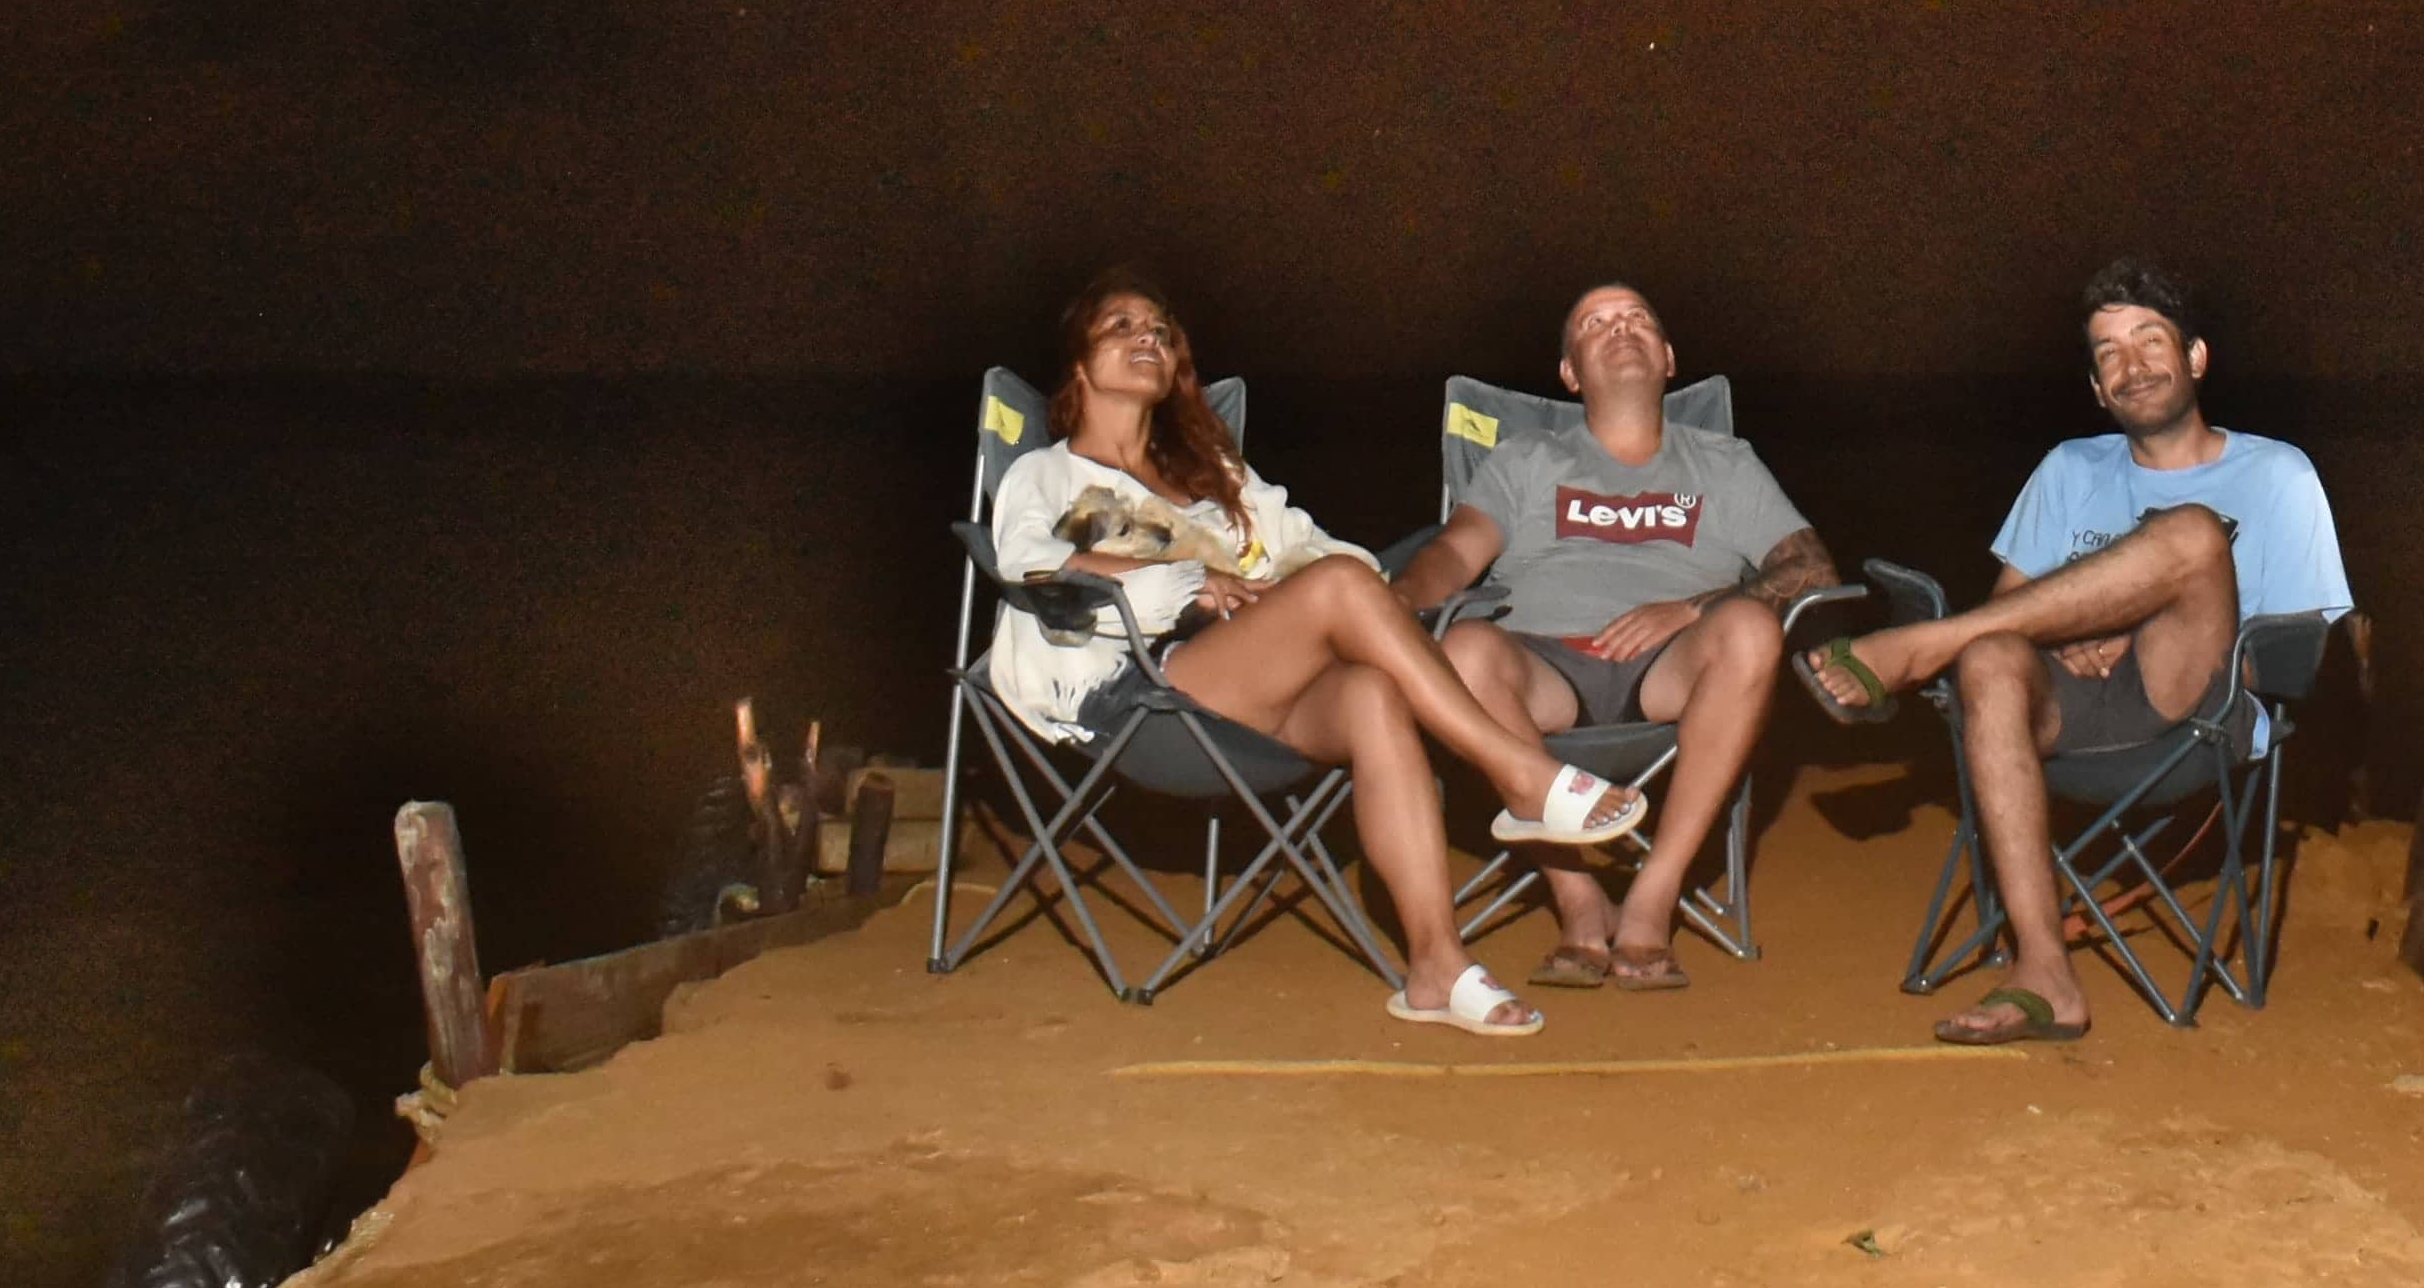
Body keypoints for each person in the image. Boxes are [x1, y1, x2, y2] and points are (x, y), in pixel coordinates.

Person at [983, 270, 1644, 1038]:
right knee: (1337, 590)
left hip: (1249, 688)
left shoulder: (1215, 478)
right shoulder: (1047, 473)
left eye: (1160, 331)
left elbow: (1317, 550)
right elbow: (1029, 562)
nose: (1148, 339)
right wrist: (1191, 580)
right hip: (1136, 694)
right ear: (1077, 364)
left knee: (1371, 690)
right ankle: (1521, 775)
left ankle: (1436, 965)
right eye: (1122, 326)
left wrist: (1327, 600)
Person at [1809, 256, 2353, 1045]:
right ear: (2098, 388)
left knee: (2193, 532)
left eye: (2150, 341)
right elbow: (2004, 617)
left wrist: (2138, 621)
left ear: (2196, 358)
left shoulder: (2278, 474)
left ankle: (1917, 648)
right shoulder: (2068, 468)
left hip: (2195, 714)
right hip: (2072, 713)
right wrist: (2067, 631)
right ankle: (2044, 973)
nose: (2133, 366)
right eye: (2110, 354)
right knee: (1988, 658)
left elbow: (2298, 654)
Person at [1380, 278, 1844, 992]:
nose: (1620, 327)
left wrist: (1694, 608)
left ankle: (1654, 896)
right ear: (1570, 373)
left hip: (1673, 670)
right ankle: (1577, 897)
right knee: (1465, 647)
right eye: (1595, 323)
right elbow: (1455, 552)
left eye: (1637, 317)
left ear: (1668, 357)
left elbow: (1810, 568)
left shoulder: (1725, 462)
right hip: (1542, 668)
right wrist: (1396, 599)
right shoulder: (1526, 458)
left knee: (1752, 628)